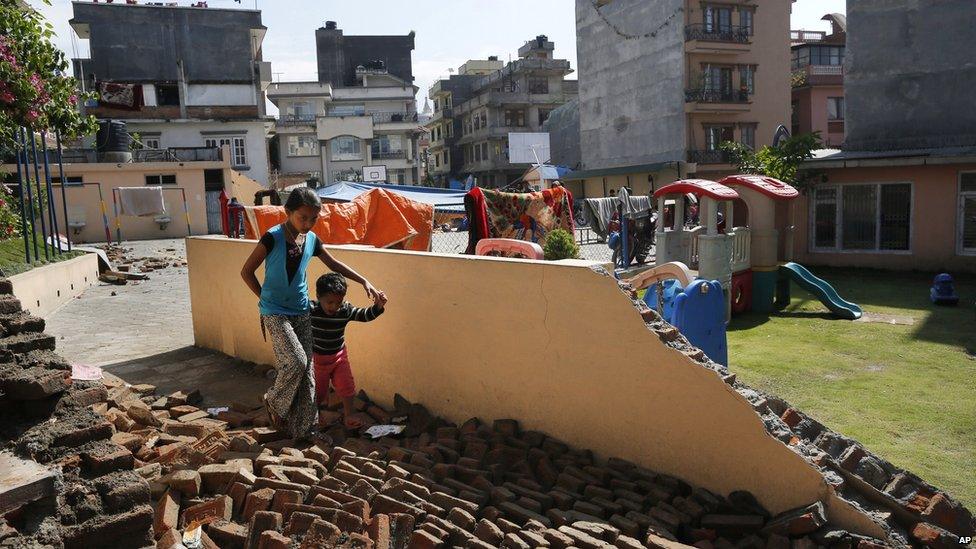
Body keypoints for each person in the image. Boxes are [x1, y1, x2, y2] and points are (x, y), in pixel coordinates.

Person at [240, 187, 382, 440]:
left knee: (308, 375)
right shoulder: (272, 237)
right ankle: (273, 401)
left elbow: (333, 263)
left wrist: (364, 281)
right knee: (297, 361)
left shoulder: (312, 240)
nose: (307, 223)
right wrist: (265, 299)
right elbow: (246, 271)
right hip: (275, 312)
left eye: (313, 218)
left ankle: (305, 430)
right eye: (302, 217)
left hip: (302, 310)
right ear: (288, 212)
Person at [310, 273, 387, 429]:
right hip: (317, 360)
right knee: (318, 391)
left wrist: (378, 306)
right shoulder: (310, 309)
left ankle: (349, 415)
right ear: (319, 297)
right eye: (329, 302)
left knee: (347, 385)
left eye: (338, 302)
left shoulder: (345, 310)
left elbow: (364, 315)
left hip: (339, 357)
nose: (334, 307)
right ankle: (314, 416)